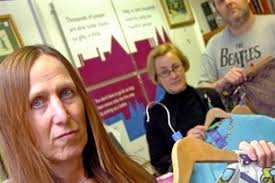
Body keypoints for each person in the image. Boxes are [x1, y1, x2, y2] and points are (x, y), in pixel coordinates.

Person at [0, 45, 156, 183]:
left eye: (66, 93)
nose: (62, 115)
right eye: (37, 102)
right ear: (13, 124)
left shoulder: (131, 176)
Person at [144, 43, 225, 175]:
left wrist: (215, 137)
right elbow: (159, 163)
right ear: (157, 78)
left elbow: (228, 136)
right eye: (165, 72)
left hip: (224, 169)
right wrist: (185, 147)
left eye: (176, 67)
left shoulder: (209, 96)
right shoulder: (155, 115)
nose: (174, 75)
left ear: (184, 65)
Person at [199, 0, 275, 94]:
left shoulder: (272, 25)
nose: (227, 2)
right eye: (221, 1)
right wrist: (222, 83)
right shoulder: (213, 45)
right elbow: (202, 92)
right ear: (217, 11)